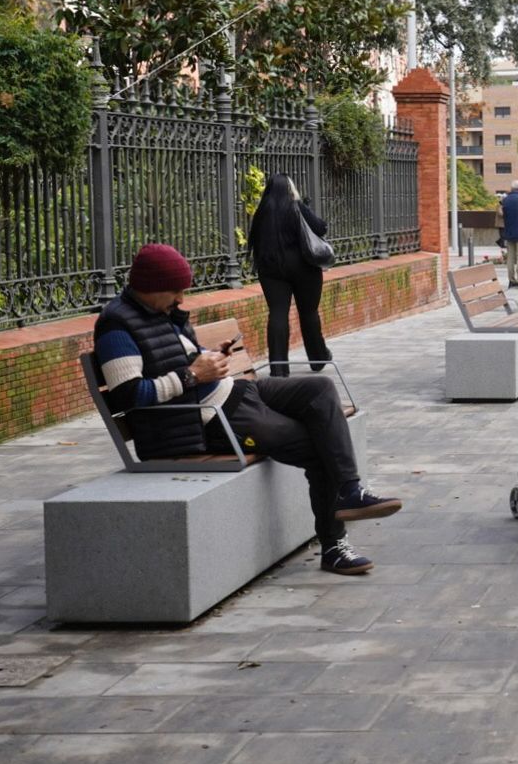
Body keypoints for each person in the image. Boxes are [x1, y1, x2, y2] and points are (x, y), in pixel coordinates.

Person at [94, 244, 402, 575]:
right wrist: (193, 374)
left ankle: (350, 490)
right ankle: (334, 548)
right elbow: (129, 395)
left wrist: (210, 356)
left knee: (319, 388)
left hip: (231, 393)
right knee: (317, 444)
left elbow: (179, 356)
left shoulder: (160, 312)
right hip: (205, 420)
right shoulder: (117, 328)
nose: (181, 299)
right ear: (150, 286)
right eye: (175, 291)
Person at [246, 174, 331, 378]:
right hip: (303, 267)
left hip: (271, 269)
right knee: (308, 312)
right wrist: (302, 204)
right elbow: (320, 227)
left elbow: (255, 243)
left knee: (277, 313)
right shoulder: (296, 207)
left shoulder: (261, 213)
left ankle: (279, 367)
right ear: (290, 189)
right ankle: (318, 357)